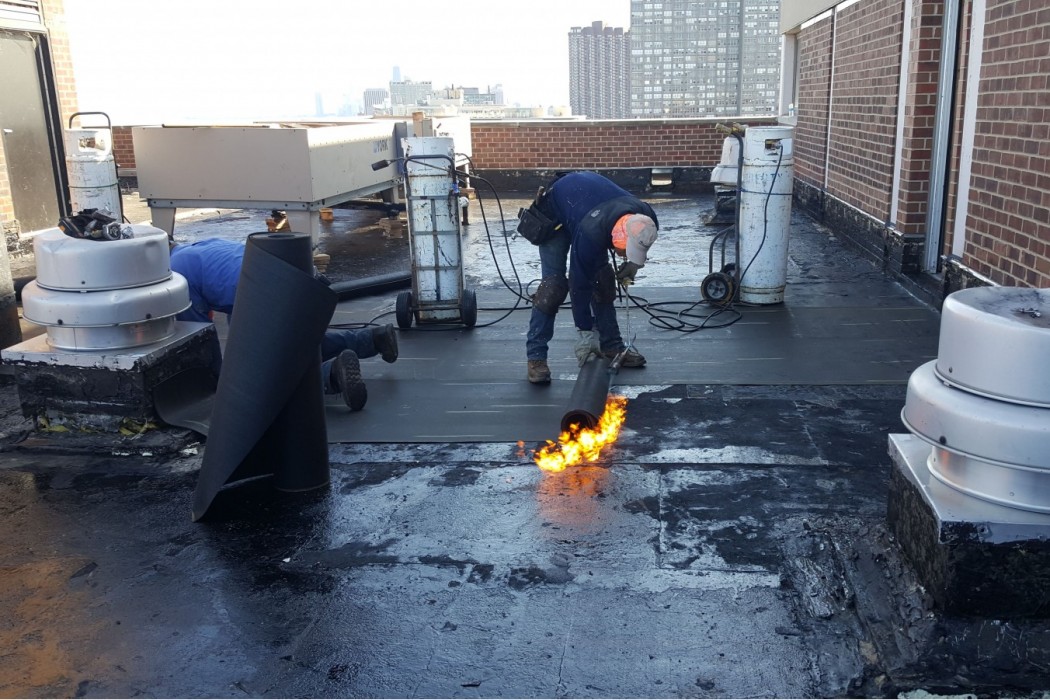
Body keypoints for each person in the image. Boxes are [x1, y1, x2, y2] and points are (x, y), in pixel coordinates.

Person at [168, 237, 398, 411]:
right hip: (303, 281)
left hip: (266, 294)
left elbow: (200, 338)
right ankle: (373, 339)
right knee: (294, 343)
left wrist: (218, 386)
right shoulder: (201, 246)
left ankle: (332, 375)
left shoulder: (175, 273)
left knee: (261, 375)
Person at [523, 171, 659, 384]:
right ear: (618, 236)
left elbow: (639, 241)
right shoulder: (592, 231)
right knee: (553, 288)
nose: (624, 254)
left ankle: (612, 346)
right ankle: (536, 357)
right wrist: (585, 332)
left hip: (586, 209)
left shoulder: (647, 218)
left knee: (603, 280)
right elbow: (580, 285)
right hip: (555, 217)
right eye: (626, 249)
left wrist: (633, 264)